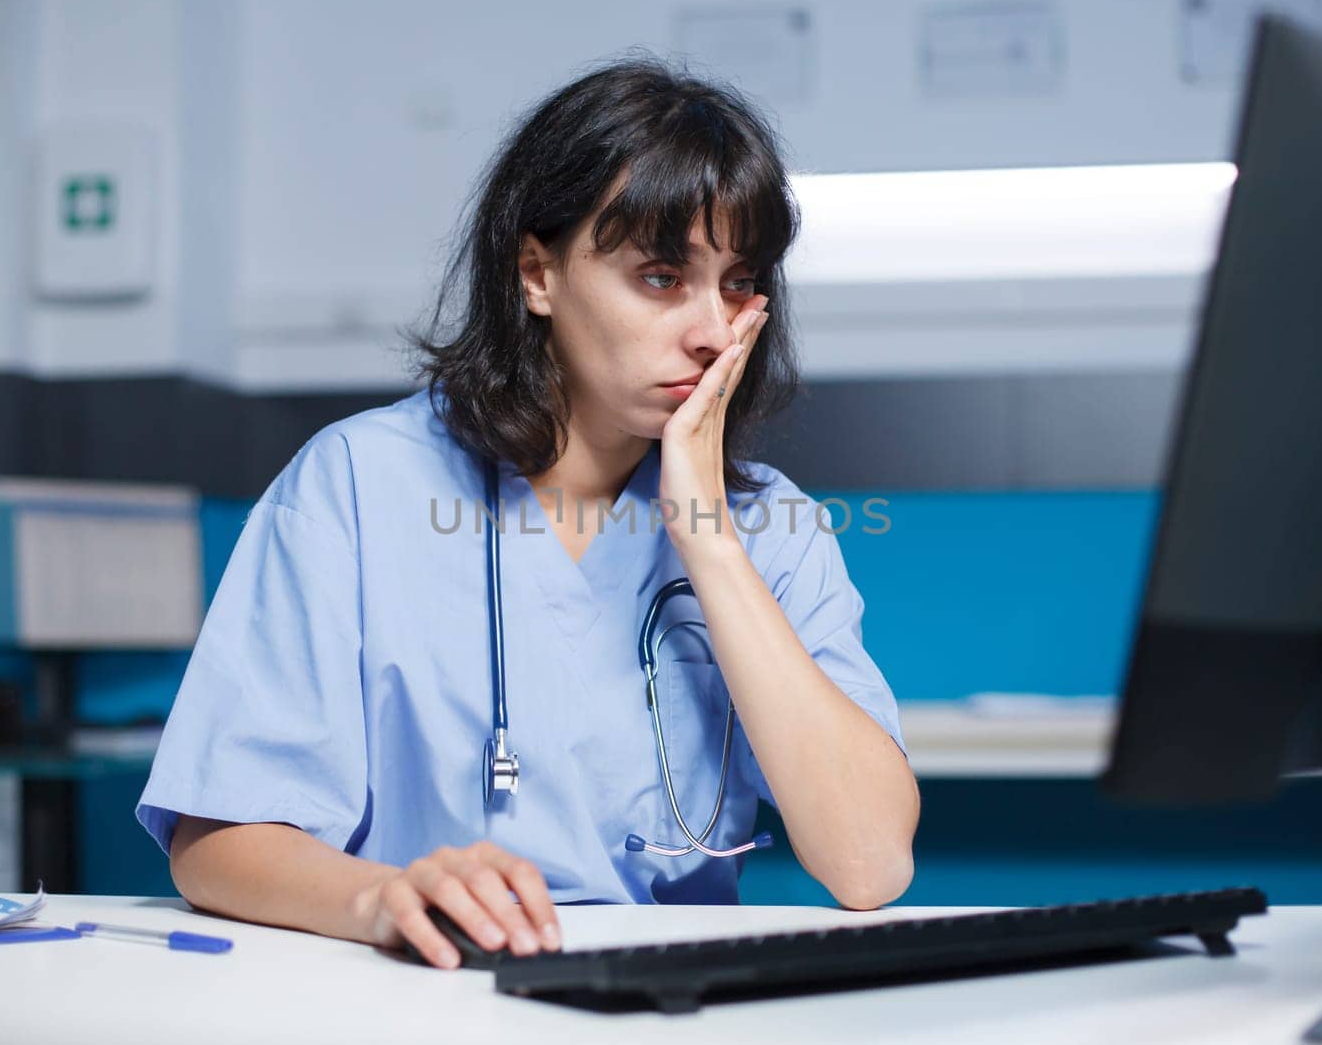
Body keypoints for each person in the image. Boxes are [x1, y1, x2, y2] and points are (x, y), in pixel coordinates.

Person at [137, 56, 919, 970]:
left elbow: (869, 861)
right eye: (662, 276)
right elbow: (217, 839)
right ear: (537, 273)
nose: (712, 328)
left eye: (739, 281)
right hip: (418, 990)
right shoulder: (356, 484)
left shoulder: (770, 527)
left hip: (662, 1007)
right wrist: (379, 898)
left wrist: (707, 538)